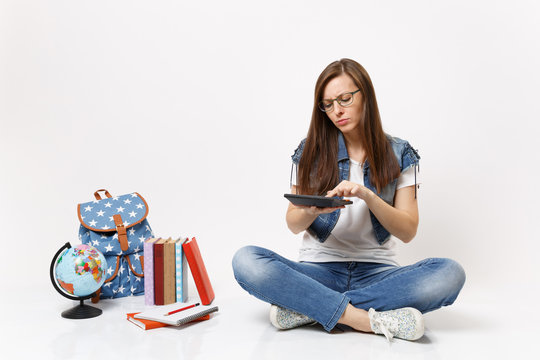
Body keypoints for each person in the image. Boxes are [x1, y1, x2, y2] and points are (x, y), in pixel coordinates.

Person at [232, 58, 465, 341]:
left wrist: (368, 195)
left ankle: (310, 307)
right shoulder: (309, 151)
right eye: (328, 104)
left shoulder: (400, 153)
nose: (337, 111)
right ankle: (364, 319)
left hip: (378, 274)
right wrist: (312, 210)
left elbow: (407, 230)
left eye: (344, 99)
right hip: (317, 270)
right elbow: (293, 223)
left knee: (450, 273)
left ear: (365, 94)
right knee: (246, 260)